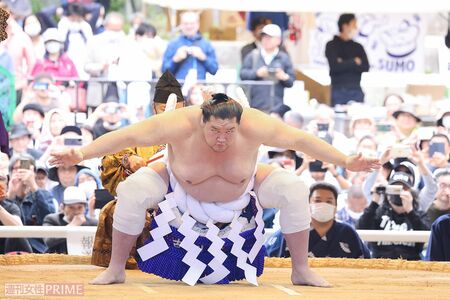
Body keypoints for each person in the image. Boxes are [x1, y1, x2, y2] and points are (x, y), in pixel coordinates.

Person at [50, 93, 379, 287]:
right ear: (200, 120)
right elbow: (128, 136)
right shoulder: (179, 123)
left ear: (240, 123)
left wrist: (347, 161)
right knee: (134, 189)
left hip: (244, 186)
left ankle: (301, 270)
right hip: (177, 182)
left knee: (293, 189)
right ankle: (116, 268)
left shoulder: (256, 124)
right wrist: (80, 154)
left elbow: (301, 140)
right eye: (214, 130)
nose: (222, 138)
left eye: (229, 131)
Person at [92, 70, 184, 269]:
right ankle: (122, 265)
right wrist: (127, 159)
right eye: (164, 109)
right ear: (154, 108)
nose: (170, 115)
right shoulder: (140, 132)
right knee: (116, 209)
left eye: (177, 110)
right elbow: (111, 155)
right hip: (146, 201)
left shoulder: (195, 136)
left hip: (187, 203)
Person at [265, 182, 370, 259]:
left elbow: (365, 263)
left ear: (336, 206)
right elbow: (269, 258)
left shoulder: (347, 232)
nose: (323, 205)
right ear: (308, 204)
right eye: (318, 200)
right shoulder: (292, 231)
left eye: (329, 201)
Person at [357, 171, 430, 260]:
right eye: (395, 188)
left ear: (410, 192)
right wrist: (374, 202)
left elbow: (426, 238)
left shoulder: (420, 214)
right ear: (388, 191)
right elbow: (360, 228)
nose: (398, 193)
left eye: (403, 188)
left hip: (411, 264)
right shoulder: (378, 212)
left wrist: (410, 212)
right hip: (380, 264)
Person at [240, 24, 295, 112]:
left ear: (278, 40)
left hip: (277, 109)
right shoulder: (253, 55)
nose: (266, 40)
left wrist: (283, 76)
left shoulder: (284, 57)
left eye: (269, 37)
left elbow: (291, 81)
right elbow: (242, 74)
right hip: (255, 106)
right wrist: (257, 73)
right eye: (264, 37)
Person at [6, 154, 55, 253]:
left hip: (38, 250)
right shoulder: (4, 197)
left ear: (34, 173)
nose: (21, 171)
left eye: (25, 167)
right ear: (10, 173)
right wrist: (11, 194)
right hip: (9, 251)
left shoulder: (44, 194)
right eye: (17, 168)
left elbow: (48, 218)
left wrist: (33, 185)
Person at [325, 14, 369, 106]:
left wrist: (342, 62)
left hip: (356, 89)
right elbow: (334, 67)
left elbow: (365, 67)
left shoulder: (358, 46)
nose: (356, 28)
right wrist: (354, 62)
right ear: (345, 26)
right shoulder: (331, 45)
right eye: (354, 25)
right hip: (338, 90)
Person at [162, 11, 218, 81]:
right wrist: (175, 59)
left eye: (192, 23)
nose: (189, 26)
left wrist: (203, 57)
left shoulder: (206, 44)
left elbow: (214, 70)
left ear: (198, 24)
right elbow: (164, 71)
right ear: (181, 25)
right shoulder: (173, 44)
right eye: (186, 23)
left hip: (199, 88)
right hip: (178, 88)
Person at [43, 186, 97, 254]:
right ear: (62, 207)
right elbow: (48, 241)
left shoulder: (93, 224)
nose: (76, 211)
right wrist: (72, 226)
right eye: (71, 207)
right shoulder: (52, 220)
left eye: (80, 207)